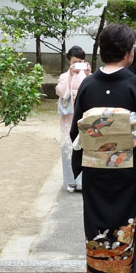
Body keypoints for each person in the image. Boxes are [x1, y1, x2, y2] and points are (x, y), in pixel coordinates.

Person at [69, 24, 136, 273]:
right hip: (127, 168)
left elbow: (75, 132)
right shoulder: (135, 84)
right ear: (129, 53)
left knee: (96, 221)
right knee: (123, 222)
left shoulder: (88, 85)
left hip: (94, 167)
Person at [54, 46, 92, 192]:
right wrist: (70, 76)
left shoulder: (87, 76)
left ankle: (83, 180)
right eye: (75, 61)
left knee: (84, 146)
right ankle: (70, 181)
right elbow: (60, 91)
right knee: (68, 147)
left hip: (82, 114)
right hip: (68, 117)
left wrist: (88, 74)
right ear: (69, 61)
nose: (77, 64)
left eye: (81, 61)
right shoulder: (65, 76)